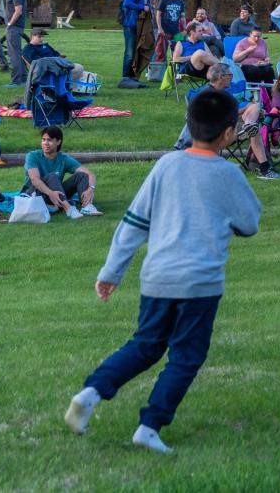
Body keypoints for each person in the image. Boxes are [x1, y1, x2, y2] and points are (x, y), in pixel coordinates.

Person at [65, 86, 263, 455]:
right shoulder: (228, 174)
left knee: (145, 346)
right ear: (228, 134)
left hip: (157, 277)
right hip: (200, 283)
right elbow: (250, 223)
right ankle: (150, 425)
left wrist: (111, 272)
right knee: (186, 356)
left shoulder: (165, 165)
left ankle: (90, 392)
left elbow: (133, 223)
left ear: (188, 126)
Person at [190, 63, 278, 178]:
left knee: (254, 114)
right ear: (221, 76)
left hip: (233, 125)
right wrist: (245, 109)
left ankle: (249, 127)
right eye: (230, 75)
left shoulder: (224, 93)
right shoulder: (209, 94)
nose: (232, 78)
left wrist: (253, 110)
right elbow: (220, 116)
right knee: (254, 128)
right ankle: (264, 169)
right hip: (217, 132)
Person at [27, 125, 101, 218]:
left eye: (49, 140)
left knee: (82, 175)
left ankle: (87, 206)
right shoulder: (32, 156)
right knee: (53, 176)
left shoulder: (64, 159)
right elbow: (34, 180)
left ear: (58, 142)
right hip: (36, 194)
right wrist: (50, 193)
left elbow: (90, 174)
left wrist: (91, 189)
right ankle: (69, 209)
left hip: (56, 195)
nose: (45, 143)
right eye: (43, 139)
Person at [117, 0, 158, 90]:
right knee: (129, 53)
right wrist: (142, 7)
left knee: (137, 52)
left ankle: (133, 77)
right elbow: (127, 3)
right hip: (130, 27)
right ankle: (125, 77)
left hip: (140, 29)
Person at [1, 0, 29, 82]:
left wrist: (9, 24)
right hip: (16, 27)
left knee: (13, 54)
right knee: (17, 53)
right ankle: (23, 78)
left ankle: (16, 80)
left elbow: (18, 11)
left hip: (14, 27)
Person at [156, 0, 187, 71]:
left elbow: (182, 17)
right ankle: (159, 73)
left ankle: (175, 71)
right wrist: (160, 28)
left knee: (178, 52)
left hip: (177, 32)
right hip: (165, 31)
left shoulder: (180, 1)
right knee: (161, 52)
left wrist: (185, 28)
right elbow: (158, 15)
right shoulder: (164, 0)